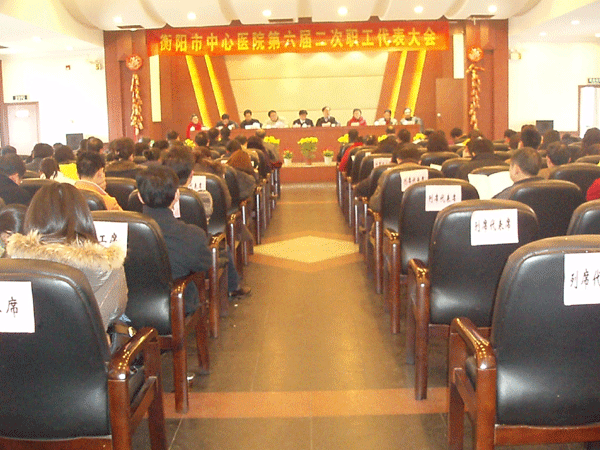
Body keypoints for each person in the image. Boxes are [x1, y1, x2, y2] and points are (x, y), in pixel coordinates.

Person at [6, 183, 127, 330]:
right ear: (84, 217)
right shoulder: (109, 266)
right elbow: (114, 312)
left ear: (32, 217)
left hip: (21, 345)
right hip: (84, 344)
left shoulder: (11, 262)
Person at [136, 167, 249, 311]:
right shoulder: (192, 235)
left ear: (139, 197)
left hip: (131, 310)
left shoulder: (125, 231)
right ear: (177, 195)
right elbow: (204, 264)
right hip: (178, 306)